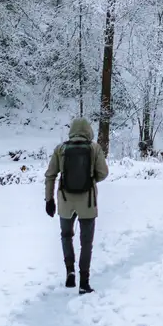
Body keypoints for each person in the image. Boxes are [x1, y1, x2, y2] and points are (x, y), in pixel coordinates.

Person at [44, 118, 109, 294]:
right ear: (88, 130)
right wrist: (91, 179)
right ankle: (84, 282)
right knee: (86, 243)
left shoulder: (61, 149)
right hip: (87, 202)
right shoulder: (94, 148)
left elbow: (50, 175)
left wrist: (49, 200)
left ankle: (70, 270)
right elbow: (103, 173)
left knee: (66, 236)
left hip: (65, 201)